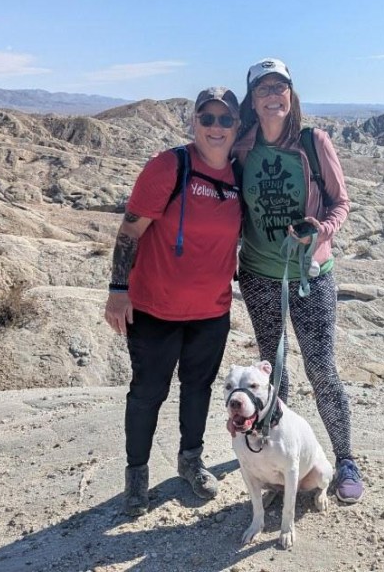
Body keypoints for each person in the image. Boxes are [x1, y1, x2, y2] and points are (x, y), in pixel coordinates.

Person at [231, 58, 364, 503]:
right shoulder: (243, 147)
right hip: (258, 275)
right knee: (275, 370)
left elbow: (341, 202)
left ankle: (344, 459)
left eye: (280, 86)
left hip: (309, 275)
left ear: (291, 93)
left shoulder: (313, 141)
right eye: (264, 88)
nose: (273, 95)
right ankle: (272, 460)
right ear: (253, 98)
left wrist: (322, 229)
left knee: (322, 368)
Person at [104, 86, 242, 517]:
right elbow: (129, 232)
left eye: (225, 120)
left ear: (237, 126)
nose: (215, 128)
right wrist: (117, 290)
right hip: (155, 310)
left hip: (212, 312)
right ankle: (136, 477)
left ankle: (190, 461)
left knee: (198, 390)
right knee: (147, 394)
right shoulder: (169, 166)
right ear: (193, 122)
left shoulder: (240, 174)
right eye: (207, 118)